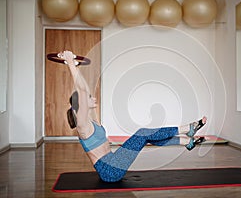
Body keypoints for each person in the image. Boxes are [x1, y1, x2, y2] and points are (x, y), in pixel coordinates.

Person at [59, 50, 207, 183]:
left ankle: (187, 141)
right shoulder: (82, 126)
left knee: (147, 137)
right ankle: (188, 128)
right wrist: (70, 62)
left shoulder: (92, 120)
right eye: (89, 98)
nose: (93, 98)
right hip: (110, 171)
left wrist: (76, 65)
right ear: (81, 104)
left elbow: (84, 88)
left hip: (113, 162)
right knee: (142, 133)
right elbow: (82, 91)